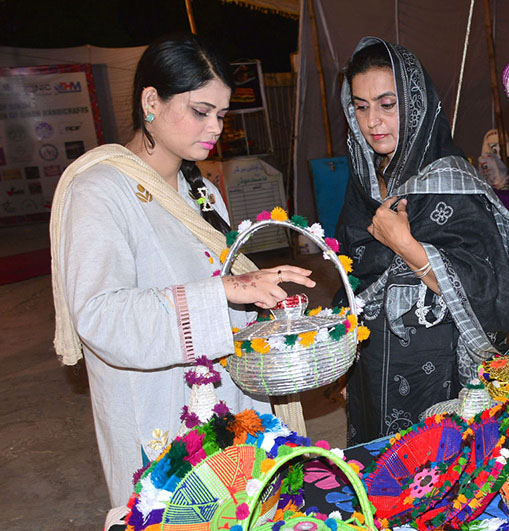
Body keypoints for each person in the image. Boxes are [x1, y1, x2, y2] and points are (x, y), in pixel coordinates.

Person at [49, 33, 315, 506]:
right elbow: (100, 317)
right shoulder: (100, 190)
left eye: (221, 115)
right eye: (200, 110)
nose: (215, 127)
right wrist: (222, 294)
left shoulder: (202, 192)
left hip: (231, 407)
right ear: (151, 100)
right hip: (160, 412)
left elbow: (229, 294)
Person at [336, 37, 509, 444]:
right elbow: (349, 270)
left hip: (436, 367)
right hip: (371, 362)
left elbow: (489, 290)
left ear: (416, 106)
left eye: (387, 104)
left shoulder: (452, 184)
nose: (373, 122)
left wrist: (407, 246)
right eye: (361, 107)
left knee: (432, 476)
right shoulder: (364, 181)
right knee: (377, 473)